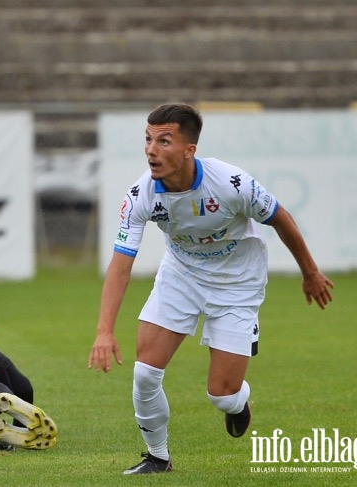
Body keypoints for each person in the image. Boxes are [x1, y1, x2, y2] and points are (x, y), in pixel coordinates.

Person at [88, 103, 334, 474]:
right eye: (148, 140)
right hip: (181, 276)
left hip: (238, 282)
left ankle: (238, 403)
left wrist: (311, 273)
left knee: (222, 394)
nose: (151, 150)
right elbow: (121, 266)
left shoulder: (230, 183)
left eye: (164, 141)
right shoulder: (141, 195)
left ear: (189, 150)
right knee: (144, 373)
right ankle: (157, 457)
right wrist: (104, 330)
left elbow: (281, 218)